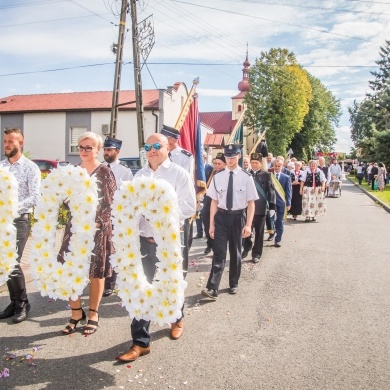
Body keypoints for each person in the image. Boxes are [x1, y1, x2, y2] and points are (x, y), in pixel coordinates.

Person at [117, 133, 196, 362]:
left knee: (171, 282)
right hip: (142, 241)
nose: (151, 150)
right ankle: (140, 342)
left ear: (167, 148)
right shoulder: (139, 175)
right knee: (140, 288)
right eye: (148, 146)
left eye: (156, 146)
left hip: (167, 243)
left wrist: (161, 218)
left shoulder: (178, 174)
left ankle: (177, 318)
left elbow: (189, 206)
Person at [58, 132, 116, 335]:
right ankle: (75, 313)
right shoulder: (73, 171)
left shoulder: (104, 171)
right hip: (74, 228)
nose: (83, 151)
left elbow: (111, 203)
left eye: (88, 147)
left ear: (98, 150)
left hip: (97, 230)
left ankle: (93, 314)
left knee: (95, 272)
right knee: (69, 269)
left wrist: (98, 224)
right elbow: (65, 199)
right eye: (81, 147)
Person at [201, 144, 258, 300]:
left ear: (239, 156)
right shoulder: (218, 177)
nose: (230, 159)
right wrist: (211, 224)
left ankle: (234, 282)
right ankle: (212, 287)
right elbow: (213, 202)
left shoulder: (246, 177)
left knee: (236, 252)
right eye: (228, 157)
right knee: (218, 253)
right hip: (221, 217)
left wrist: (248, 225)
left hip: (238, 218)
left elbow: (251, 203)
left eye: (233, 157)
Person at [0, 128, 41, 324]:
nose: (7, 145)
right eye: (5, 141)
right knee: (4, 263)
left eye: (11, 141)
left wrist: (11, 207)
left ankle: (23, 303)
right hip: (2, 221)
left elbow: (34, 196)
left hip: (19, 220)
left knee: (13, 261)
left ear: (21, 143)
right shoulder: (1, 167)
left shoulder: (30, 168)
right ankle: (13, 301)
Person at [102, 136, 133, 298]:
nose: (106, 153)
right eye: (105, 150)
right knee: (101, 251)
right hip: (99, 218)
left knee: (112, 251)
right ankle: (99, 279)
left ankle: (110, 283)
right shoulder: (99, 168)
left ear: (117, 151)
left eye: (109, 150)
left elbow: (129, 197)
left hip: (116, 218)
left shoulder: (125, 171)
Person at [242, 153, 275, 263]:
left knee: (259, 233)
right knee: (245, 230)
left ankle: (256, 254)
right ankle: (247, 247)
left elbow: (271, 191)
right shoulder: (246, 174)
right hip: (247, 208)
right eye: (252, 163)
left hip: (260, 209)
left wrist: (272, 207)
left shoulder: (266, 175)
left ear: (261, 164)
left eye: (256, 163)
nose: (254, 165)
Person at [202, 153, 226, 255]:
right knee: (207, 224)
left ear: (224, 164)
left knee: (218, 227)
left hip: (220, 204)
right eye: (215, 163)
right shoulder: (211, 172)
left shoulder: (226, 175)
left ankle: (218, 249)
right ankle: (209, 243)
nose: (216, 165)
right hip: (208, 202)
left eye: (218, 164)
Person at [272, 158, 292, 247]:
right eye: (275, 166)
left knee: (279, 221)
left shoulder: (286, 177)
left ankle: (278, 239)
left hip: (281, 203)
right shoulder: (269, 176)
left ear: (282, 166)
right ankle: (271, 233)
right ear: (273, 166)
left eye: (278, 166)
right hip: (271, 202)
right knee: (271, 220)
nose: (277, 167)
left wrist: (288, 203)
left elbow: (288, 191)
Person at [195, 152, 213, 239]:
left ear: (205, 158)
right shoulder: (195, 168)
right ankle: (199, 232)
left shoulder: (210, 168)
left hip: (208, 194)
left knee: (206, 214)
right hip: (198, 193)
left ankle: (208, 232)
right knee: (197, 213)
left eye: (201, 157)